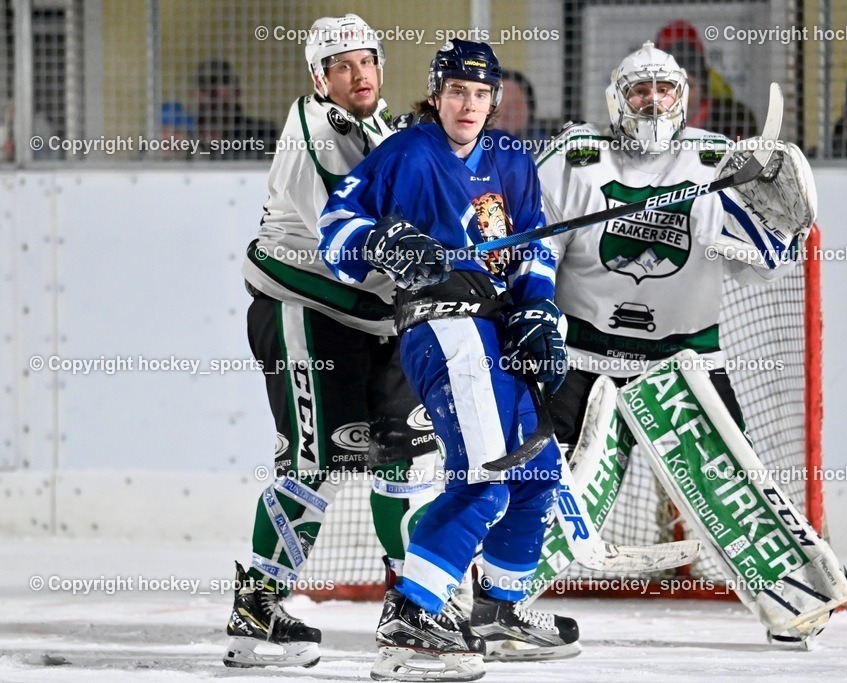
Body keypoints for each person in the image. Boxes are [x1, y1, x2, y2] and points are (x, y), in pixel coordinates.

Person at [318, 39, 580, 681]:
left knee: (538, 466)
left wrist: (537, 311)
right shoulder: (405, 154)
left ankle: (498, 609)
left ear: (493, 101)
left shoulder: (513, 158)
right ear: (436, 95)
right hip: (444, 327)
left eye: (480, 94)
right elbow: (334, 232)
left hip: (498, 328)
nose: (468, 104)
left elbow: (536, 247)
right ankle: (412, 614)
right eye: (456, 92)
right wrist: (382, 240)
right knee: (489, 471)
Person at [536, 42, 816, 641]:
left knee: (732, 488)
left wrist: (777, 225)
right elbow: (538, 250)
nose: (653, 102)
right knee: (549, 482)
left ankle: (793, 601)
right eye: (640, 90)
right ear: (617, 100)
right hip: (587, 359)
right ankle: (500, 599)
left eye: (665, 90)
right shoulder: (576, 157)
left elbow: (765, 265)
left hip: (684, 361)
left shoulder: (717, 162)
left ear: (683, 98)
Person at [224, 15, 438, 669]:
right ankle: (256, 610)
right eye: (341, 66)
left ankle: (410, 609)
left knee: (404, 457)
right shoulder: (321, 129)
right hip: (307, 313)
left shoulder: (376, 124)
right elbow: (353, 237)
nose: (358, 75)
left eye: (366, 62)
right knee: (314, 466)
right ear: (320, 78)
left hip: (373, 320)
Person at [655, 19, 758, 141]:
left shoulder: (732, 119)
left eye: (689, 85)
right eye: (673, 87)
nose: (682, 94)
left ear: (701, 87)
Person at [193, 59, 278, 160]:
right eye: (206, 87)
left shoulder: (263, 133)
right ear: (197, 94)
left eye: (222, 85)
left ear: (237, 91)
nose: (214, 93)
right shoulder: (187, 133)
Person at [498, 70, 545, 141]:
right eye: (499, 103)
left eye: (514, 105)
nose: (506, 111)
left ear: (530, 109)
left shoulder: (543, 145)